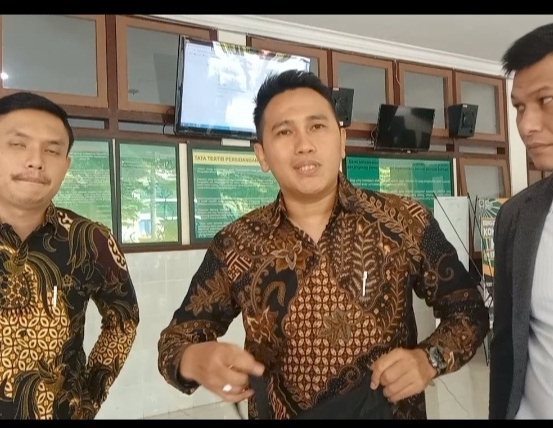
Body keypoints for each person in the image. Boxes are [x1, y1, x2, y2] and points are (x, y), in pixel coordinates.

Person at [157, 69, 489, 419]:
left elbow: (469, 311)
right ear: (262, 155)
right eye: (284, 131)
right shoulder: (236, 243)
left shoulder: (406, 220)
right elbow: (175, 341)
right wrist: (192, 359)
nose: (304, 144)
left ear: (341, 140)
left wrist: (429, 359)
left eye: (317, 126)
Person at [0, 92, 140, 419]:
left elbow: (123, 321)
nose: (36, 161)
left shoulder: (91, 241)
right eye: (18, 144)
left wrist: (87, 399)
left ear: (66, 165)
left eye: (52, 150)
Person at [489, 18, 553, 420]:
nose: (526, 126)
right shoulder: (518, 216)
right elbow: (506, 347)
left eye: (546, 100)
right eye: (519, 108)